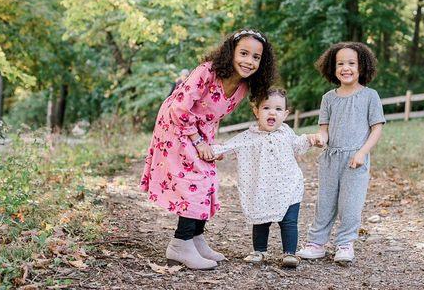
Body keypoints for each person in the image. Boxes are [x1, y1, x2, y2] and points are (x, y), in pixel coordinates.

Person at [140, 29, 277, 270]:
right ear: (231, 52)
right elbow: (180, 109)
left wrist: (211, 146)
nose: (249, 61)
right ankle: (180, 244)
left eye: (256, 57)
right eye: (243, 53)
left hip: (200, 131)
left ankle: (195, 238)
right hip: (175, 124)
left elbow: (212, 118)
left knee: (210, 179)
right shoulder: (207, 72)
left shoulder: (243, 87)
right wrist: (197, 141)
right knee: (196, 180)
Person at [296, 42, 386, 265]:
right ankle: (316, 243)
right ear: (332, 68)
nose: (346, 68)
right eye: (340, 64)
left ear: (361, 66)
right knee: (324, 202)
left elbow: (377, 128)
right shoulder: (329, 98)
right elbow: (324, 129)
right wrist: (320, 139)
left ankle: (345, 243)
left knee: (350, 204)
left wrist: (362, 153)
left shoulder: (369, 96)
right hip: (330, 159)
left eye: (351, 63)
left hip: (355, 159)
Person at [212, 89, 321, 268]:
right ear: (256, 111)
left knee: (289, 221)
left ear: (285, 114)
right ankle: (259, 251)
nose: (272, 112)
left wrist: (310, 139)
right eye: (266, 108)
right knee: (261, 220)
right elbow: (228, 146)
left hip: (289, 187)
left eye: (278, 109)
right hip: (261, 189)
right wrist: (213, 152)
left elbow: (298, 144)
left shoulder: (286, 132)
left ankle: (290, 253)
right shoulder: (248, 137)